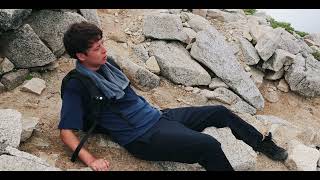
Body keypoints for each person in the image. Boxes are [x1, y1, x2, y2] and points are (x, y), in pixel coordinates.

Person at [59, 21, 288, 171]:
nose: (104, 50)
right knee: (208, 146)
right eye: (97, 48)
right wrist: (92, 160)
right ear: (80, 55)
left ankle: (261, 144)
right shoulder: (76, 85)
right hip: (142, 136)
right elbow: (66, 133)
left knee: (219, 111)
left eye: (102, 44)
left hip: (158, 117)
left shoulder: (108, 64)